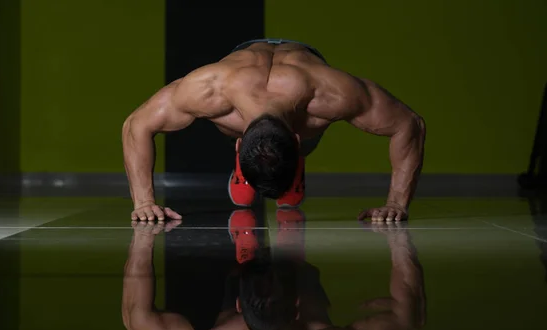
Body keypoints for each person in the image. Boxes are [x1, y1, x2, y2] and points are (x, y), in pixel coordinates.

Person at [122, 39, 426, 223]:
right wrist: (143, 203)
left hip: (302, 70)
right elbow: (136, 125)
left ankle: (287, 162)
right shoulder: (209, 89)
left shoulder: (332, 93)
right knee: (268, 144)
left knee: (301, 135)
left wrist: (396, 203)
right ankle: (263, 168)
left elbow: (409, 125)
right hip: (245, 70)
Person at [122, 218, 426, 330]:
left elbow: (136, 318)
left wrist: (144, 235)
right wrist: (397, 237)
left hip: (253, 298)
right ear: (296, 307)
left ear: (240, 305)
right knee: (293, 251)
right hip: (299, 280)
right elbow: (409, 318)